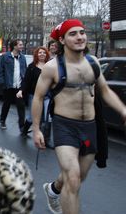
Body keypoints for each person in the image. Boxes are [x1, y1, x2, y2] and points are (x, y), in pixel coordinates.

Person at [32, 19, 126, 214]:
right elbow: (39, 98)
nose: (80, 36)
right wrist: (36, 129)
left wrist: (123, 110)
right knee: (73, 179)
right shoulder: (52, 67)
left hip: (90, 127)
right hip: (64, 127)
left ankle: (54, 189)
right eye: (73, 33)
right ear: (63, 40)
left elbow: (105, 90)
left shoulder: (93, 63)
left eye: (82, 32)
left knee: (78, 177)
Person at [16, 46, 50, 138]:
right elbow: (26, 80)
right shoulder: (32, 67)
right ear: (36, 55)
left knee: (47, 118)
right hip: (34, 96)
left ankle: (45, 138)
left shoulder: (50, 66)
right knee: (32, 116)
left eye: (44, 52)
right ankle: (24, 131)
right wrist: (21, 90)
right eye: (40, 52)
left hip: (47, 96)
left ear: (46, 54)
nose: (42, 54)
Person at [0, 39, 27, 131]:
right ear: (14, 46)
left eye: (22, 45)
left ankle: (22, 127)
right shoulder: (5, 57)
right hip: (8, 86)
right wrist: (2, 82)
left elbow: (24, 70)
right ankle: (2, 121)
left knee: (21, 106)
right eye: (20, 45)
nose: (22, 46)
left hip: (19, 87)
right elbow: (0, 70)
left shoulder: (23, 58)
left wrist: (24, 84)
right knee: (6, 104)